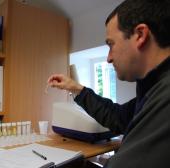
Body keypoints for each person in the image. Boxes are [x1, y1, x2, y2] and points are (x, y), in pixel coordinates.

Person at [47, 0, 170, 167]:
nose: (109, 58)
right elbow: (118, 117)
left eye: (111, 44)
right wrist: (76, 88)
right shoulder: (153, 90)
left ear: (140, 35)